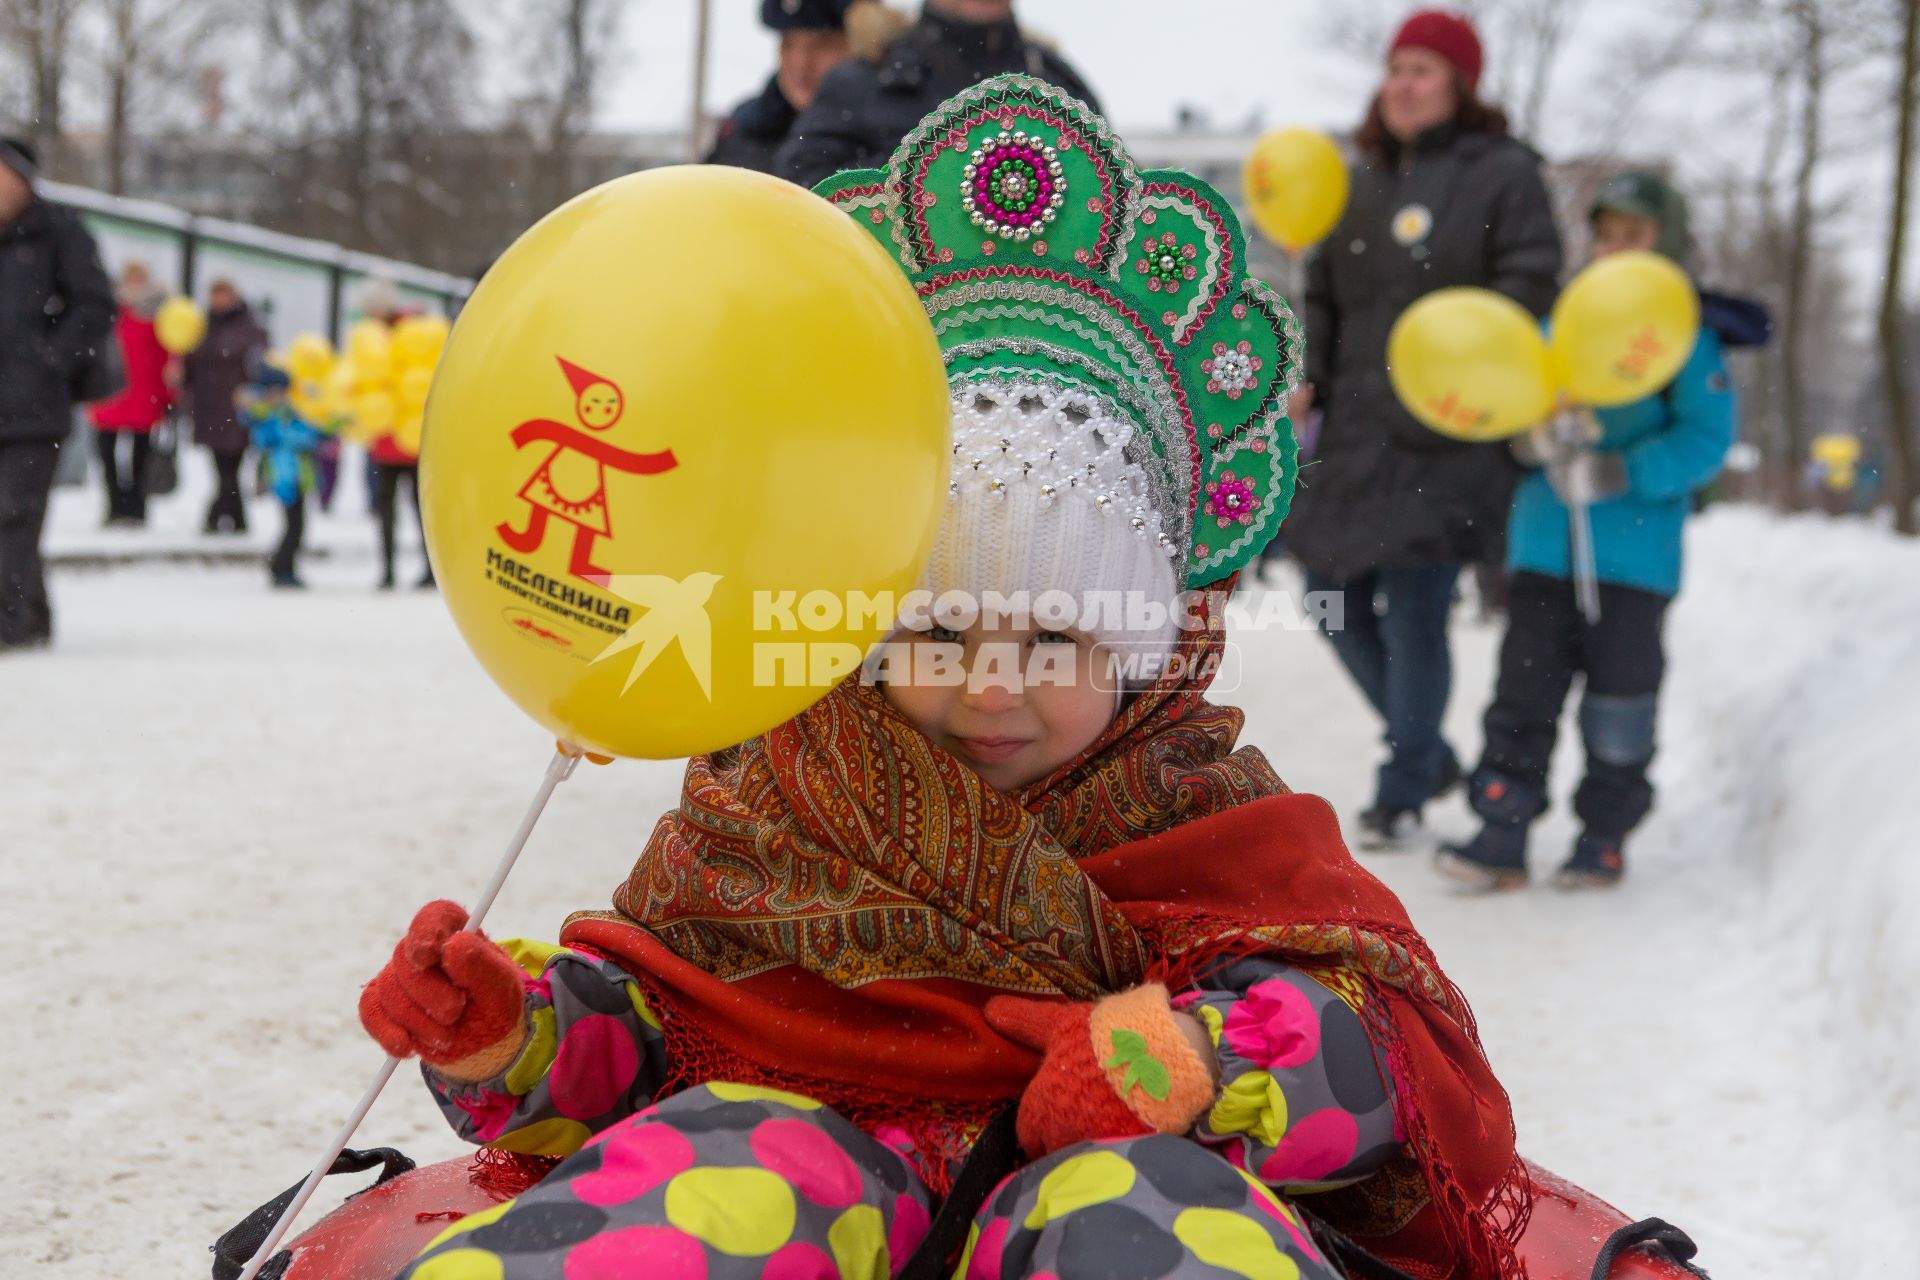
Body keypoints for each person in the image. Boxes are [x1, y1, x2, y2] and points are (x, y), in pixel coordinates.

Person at [359, 78, 1528, 1280]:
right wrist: (515, 1031)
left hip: (1088, 1195)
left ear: (1140, 652)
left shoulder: (1203, 818)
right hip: (802, 1185)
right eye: (938, 634)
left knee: (1143, 1207)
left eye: (1055, 645)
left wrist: (1195, 1055)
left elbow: (1382, 1056)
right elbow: (645, 1044)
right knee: (730, 1166)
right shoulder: (783, 791)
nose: (988, 688)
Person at [1438, 173, 1768, 892]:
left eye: (1635, 235)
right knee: (1523, 690)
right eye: (1606, 232)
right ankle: (1504, 821)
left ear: (1665, 243)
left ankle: (1605, 831)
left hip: (1635, 556)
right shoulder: (1564, 321)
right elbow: (1517, 402)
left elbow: (1707, 438)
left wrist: (1625, 469)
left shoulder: (1685, 336)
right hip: (1543, 542)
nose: (1616, 248)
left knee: (1621, 696)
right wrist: (1530, 442)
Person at [1281, 10, 1563, 849]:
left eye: (1423, 70)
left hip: (1448, 436)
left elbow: (1533, 277)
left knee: (1413, 612)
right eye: (1395, 67)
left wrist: (1476, 352)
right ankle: (1430, 754)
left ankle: (1401, 783)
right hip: (1359, 432)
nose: (1402, 83)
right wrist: (1310, 375)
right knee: (1328, 598)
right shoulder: (1358, 177)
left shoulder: (1504, 173)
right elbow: (1325, 294)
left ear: (1460, 86)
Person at [773, 0, 1099, 188]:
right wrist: (929, 175)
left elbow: (1112, 199)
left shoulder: (1060, 84)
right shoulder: (861, 82)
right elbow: (801, 198)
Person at [0, 135, 114, 652]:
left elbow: (94, 303)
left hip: (34, 405)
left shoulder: (58, 230)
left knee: (14, 514)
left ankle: (9, 623)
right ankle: (33, 615)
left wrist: (51, 358)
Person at [705, 0, 869, 172]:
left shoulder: (890, 136)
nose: (800, 63)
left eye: (822, 44)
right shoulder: (741, 132)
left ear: (860, 47)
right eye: (788, 44)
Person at [88, 260, 174, 526]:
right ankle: (115, 503)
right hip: (110, 392)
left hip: (144, 393)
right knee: (106, 453)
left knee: (140, 456)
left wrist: (167, 396)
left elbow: (166, 357)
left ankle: (136, 504)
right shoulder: (107, 307)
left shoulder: (159, 313)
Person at [183, 278, 267, 534]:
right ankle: (235, 519)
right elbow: (191, 363)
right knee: (221, 468)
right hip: (209, 407)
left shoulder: (249, 328)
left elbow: (260, 366)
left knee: (230, 468)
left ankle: (217, 517)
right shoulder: (202, 326)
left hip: (237, 408)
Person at [243, 364, 326, 589]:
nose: (281, 396)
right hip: (283, 477)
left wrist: (324, 430)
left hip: (297, 475)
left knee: (296, 525)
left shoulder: (286, 412)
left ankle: (284, 566)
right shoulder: (266, 415)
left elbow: (307, 432)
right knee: (294, 525)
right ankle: (281, 567)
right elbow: (286, 437)